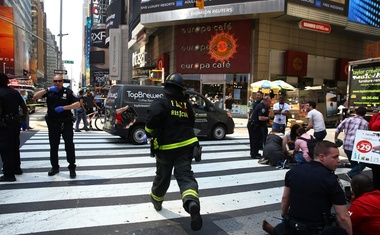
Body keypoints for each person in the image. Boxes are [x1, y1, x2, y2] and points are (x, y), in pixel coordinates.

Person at [145, 73, 202, 231]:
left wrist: (150, 132)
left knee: (163, 176)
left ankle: (157, 200)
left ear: (166, 87)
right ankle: (191, 202)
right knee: (185, 176)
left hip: (166, 149)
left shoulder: (161, 102)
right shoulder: (185, 104)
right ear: (180, 89)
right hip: (186, 146)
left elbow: (151, 122)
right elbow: (191, 123)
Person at [264, 141, 352, 235]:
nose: (338, 160)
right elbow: (342, 217)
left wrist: (284, 216)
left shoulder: (293, 171)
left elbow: (285, 198)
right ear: (322, 157)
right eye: (335, 157)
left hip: (292, 225)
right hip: (316, 229)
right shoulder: (330, 180)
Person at [33, 75, 80, 178]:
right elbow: (35, 97)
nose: (57, 83)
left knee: (69, 145)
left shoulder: (68, 92)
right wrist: (47, 89)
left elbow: (77, 104)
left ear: (62, 81)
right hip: (53, 123)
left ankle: (72, 168)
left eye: (59, 81)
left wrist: (65, 107)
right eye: (55, 81)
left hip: (66, 123)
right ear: (53, 82)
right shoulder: (49, 92)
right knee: (54, 146)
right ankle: (55, 167)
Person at [0, 73, 28, 181]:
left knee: (5, 148)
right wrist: (22, 119)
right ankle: (17, 168)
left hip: (4, 124)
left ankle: (8, 174)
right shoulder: (14, 93)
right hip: (15, 124)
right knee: (15, 146)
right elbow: (24, 108)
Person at [335, 106, 368, 179]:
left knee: (354, 164)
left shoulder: (347, 120)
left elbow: (337, 130)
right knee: (364, 162)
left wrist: (336, 139)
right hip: (357, 147)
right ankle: (350, 174)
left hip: (346, 146)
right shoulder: (365, 123)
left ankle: (354, 179)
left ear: (356, 112)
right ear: (364, 114)